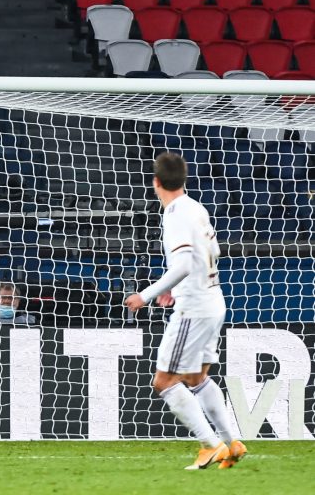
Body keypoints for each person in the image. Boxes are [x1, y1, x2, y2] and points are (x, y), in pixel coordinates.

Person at [126, 153, 246, 470]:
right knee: (196, 376)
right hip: (212, 299)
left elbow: (181, 264)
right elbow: (213, 251)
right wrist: (174, 290)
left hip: (194, 308)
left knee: (164, 381)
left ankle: (211, 445)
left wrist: (146, 295)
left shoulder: (176, 213)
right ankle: (232, 442)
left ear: (155, 182)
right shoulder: (196, 207)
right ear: (184, 179)